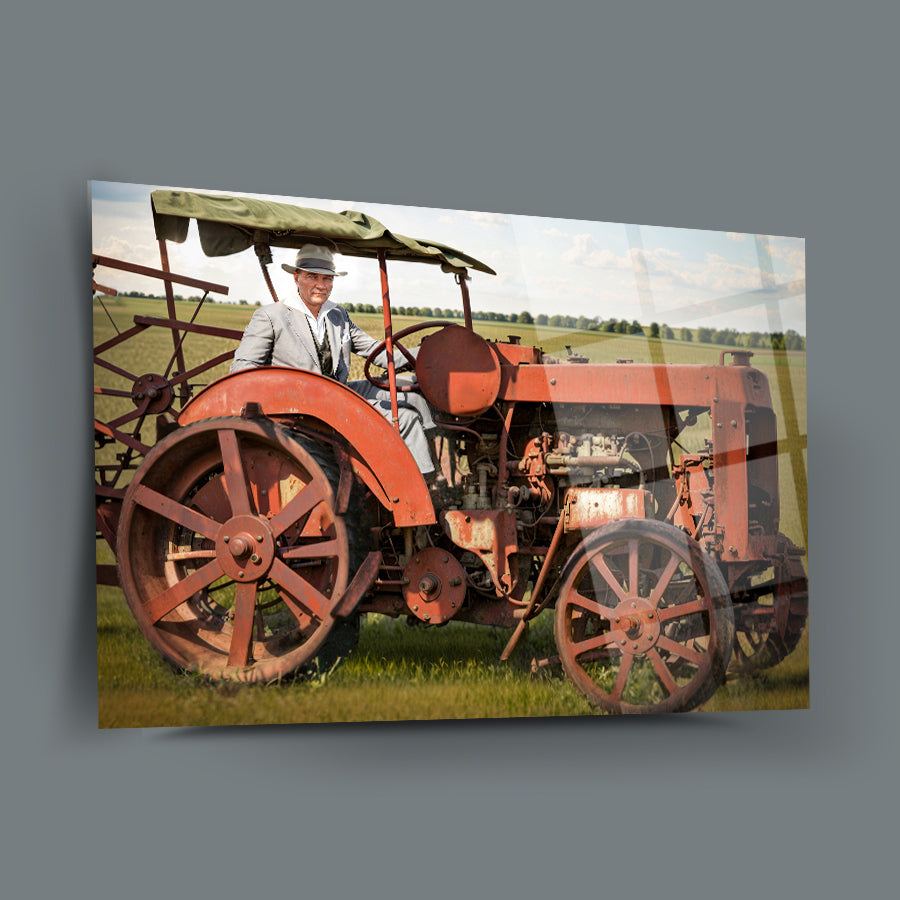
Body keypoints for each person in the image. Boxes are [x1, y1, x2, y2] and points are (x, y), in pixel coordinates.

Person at [230, 244, 442, 484]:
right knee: (403, 417)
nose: (321, 285)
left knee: (410, 390)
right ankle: (427, 484)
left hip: (338, 394)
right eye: (312, 277)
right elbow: (243, 369)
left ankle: (435, 463)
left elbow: (377, 352)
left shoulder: (337, 314)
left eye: (327, 278)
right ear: (296, 277)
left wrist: (431, 352)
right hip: (305, 407)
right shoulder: (271, 316)